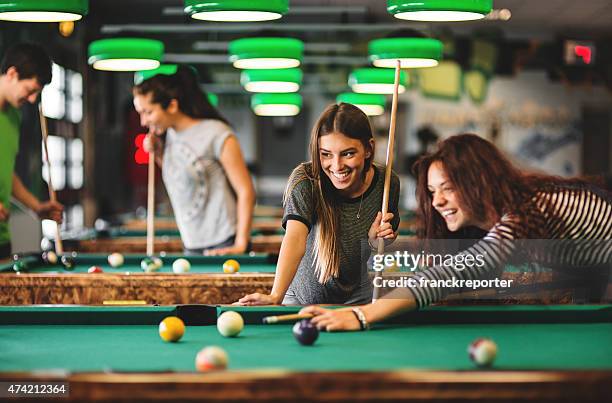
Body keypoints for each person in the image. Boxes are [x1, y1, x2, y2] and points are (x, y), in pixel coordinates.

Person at [301, 133, 612, 330]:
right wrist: (379, 253)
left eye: (448, 188)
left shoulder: (525, 213)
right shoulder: (518, 209)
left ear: (477, 183)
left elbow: (447, 275)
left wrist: (363, 315)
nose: (437, 201)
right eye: (433, 191)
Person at [237, 103, 400, 305]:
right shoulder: (305, 180)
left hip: (359, 298)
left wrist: (376, 243)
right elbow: (295, 238)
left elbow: (384, 244)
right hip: (300, 300)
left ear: (368, 149)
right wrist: (275, 296)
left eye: (348, 153)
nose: (337, 165)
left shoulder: (387, 184)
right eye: (326, 154)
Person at [133, 65, 255, 255]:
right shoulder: (169, 136)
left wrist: (240, 243)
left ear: (172, 106)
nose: (143, 121)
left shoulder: (216, 132)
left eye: (148, 112)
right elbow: (179, 178)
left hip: (224, 242)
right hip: (191, 243)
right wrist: (158, 153)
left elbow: (246, 190)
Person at [0, 43, 63, 259]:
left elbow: (6, 173)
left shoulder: (13, 116)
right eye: (30, 90)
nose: (32, 99)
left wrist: (36, 206)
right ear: (11, 73)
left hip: (4, 238)